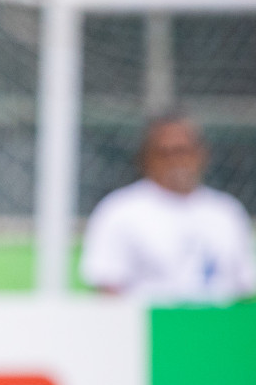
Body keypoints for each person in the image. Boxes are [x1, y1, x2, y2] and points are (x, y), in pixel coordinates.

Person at [80, 112, 255, 302]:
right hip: (152, 328)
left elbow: (244, 286)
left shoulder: (227, 211)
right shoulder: (119, 210)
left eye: (183, 150)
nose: (176, 161)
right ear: (146, 157)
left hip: (219, 327)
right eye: (165, 153)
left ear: (202, 153)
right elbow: (107, 287)